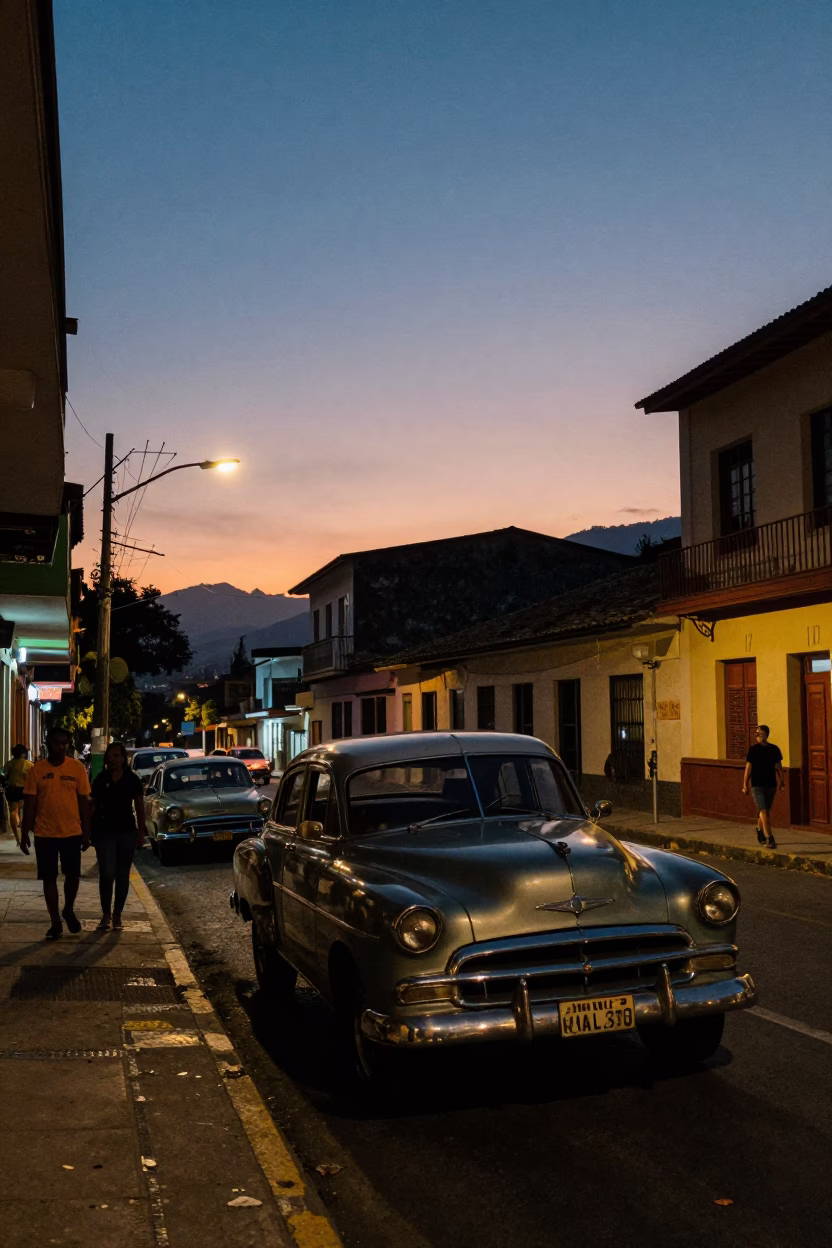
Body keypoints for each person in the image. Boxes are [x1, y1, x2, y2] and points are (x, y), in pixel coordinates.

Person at [20, 726, 91, 940]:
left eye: (64, 743)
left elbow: (84, 801)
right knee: (49, 878)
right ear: (48, 744)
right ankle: (55, 922)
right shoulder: (37, 770)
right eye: (56, 743)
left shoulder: (77, 768)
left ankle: (68, 909)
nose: (60, 747)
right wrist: (24, 834)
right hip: (45, 833)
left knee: (73, 875)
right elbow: (30, 803)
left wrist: (87, 831)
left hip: (71, 832)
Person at [90, 742, 146, 929]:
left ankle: (117, 915)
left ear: (123, 758)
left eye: (117, 756)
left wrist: (141, 833)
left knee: (122, 875)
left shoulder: (131, 779)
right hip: (104, 831)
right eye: (110, 755)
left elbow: (139, 805)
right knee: (107, 873)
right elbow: (93, 804)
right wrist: (88, 830)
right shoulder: (100, 779)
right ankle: (105, 914)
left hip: (126, 832)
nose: (113, 759)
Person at [742, 724, 785, 850]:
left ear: (766, 734)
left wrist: (782, 781)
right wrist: (745, 783)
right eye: (756, 733)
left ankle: (759, 829)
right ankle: (770, 838)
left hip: (771, 784)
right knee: (764, 811)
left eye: (759, 733)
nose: (757, 735)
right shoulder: (753, 750)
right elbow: (748, 768)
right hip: (757, 785)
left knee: (765, 811)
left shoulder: (774, 749)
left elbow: (779, 767)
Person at [3, 744, 32, 846]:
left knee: (13, 811)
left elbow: (3, 775)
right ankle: (25, 833)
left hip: (12, 790)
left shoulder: (9, 764)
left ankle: (17, 838)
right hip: (25, 790)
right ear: (24, 753)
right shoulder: (28, 765)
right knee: (27, 812)